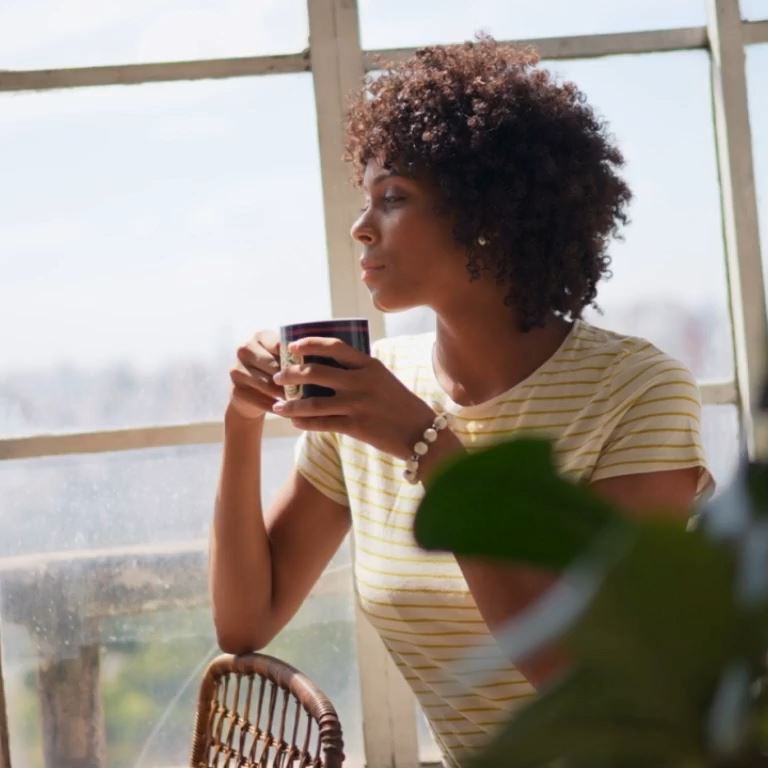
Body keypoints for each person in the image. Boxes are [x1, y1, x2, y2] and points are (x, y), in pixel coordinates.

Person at [210, 36, 713, 767]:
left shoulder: (638, 392)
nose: (361, 226)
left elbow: (591, 674)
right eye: (366, 198)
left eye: (394, 198)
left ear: (489, 217)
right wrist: (243, 423)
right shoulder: (370, 396)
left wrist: (430, 446)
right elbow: (244, 622)